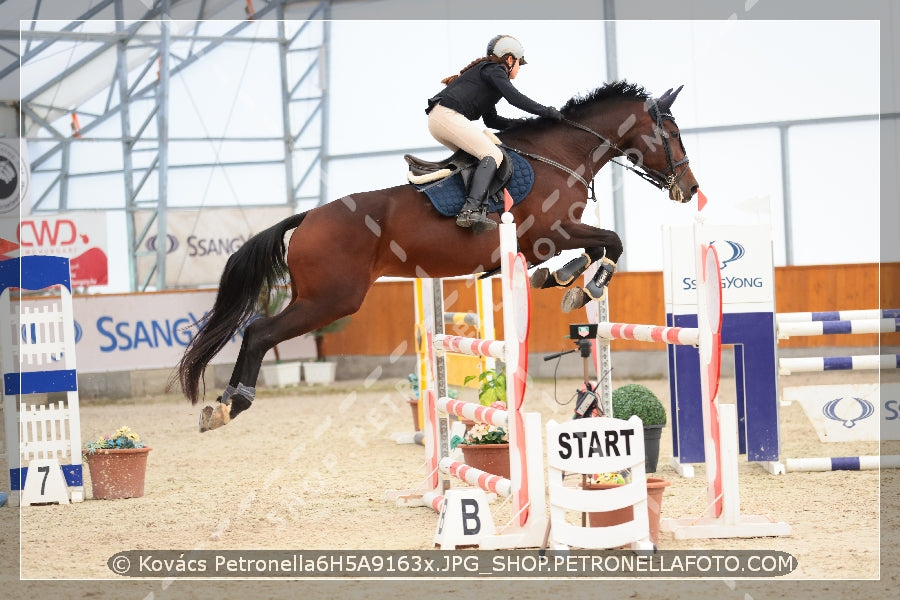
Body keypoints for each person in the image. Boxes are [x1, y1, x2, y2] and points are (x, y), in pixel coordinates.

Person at [426, 35, 564, 232]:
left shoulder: (490, 77)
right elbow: (515, 98)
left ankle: (473, 205)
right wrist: (546, 112)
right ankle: (471, 210)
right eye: (519, 63)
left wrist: (528, 124)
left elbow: (492, 121)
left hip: (441, 120)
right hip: (446, 117)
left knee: (479, 159)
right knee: (492, 155)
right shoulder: (496, 70)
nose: (519, 68)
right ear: (509, 59)